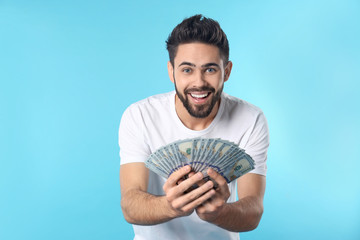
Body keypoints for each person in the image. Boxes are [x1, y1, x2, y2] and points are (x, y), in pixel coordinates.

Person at [119, 14, 269, 240]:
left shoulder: (251, 119)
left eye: (210, 69)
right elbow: (130, 204)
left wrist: (219, 212)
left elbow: (253, 212)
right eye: (187, 69)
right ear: (171, 71)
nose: (198, 82)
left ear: (226, 71)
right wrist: (171, 207)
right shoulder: (140, 116)